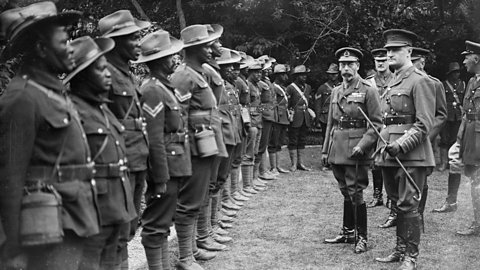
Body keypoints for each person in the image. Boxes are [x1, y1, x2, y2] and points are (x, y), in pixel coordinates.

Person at [0, 2, 100, 269]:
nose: (71, 47)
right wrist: (12, 248)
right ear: (42, 49)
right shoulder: (22, 97)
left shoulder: (52, 91)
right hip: (48, 226)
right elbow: (10, 178)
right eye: (65, 41)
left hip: (77, 216)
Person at [66, 36, 137, 270]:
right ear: (83, 75)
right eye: (99, 70)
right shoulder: (72, 112)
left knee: (113, 262)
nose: (108, 74)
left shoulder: (102, 109)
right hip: (92, 208)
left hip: (116, 203)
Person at [374, 29, 436, 270]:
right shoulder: (391, 80)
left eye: (395, 50)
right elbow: (386, 120)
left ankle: (411, 256)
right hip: (389, 154)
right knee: (396, 202)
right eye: (388, 50)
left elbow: (424, 124)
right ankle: (400, 249)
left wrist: (401, 145)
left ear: (409, 51)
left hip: (411, 155)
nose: (390, 54)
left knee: (409, 204)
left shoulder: (421, 81)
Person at [170, 24, 228, 270]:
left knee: (202, 196)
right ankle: (185, 258)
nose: (211, 49)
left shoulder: (199, 71)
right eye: (205, 45)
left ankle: (194, 247)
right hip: (195, 148)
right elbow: (177, 119)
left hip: (207, 144)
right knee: (189, 201)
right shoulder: (183, 75)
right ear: (192, 48)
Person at [133, 30, 191, 270]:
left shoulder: (164, 87)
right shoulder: (153, 90)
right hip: (165, 163)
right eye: (169, 56)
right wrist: (159, 176)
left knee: (164, 221)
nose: (174, 60)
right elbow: (154, 137)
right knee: (157, 223)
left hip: (175, 161)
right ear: (157, 61)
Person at [98, 10, 151, 269]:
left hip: (137, 157)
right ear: (116, 42)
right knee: (115, 231)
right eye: (133, 38)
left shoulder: (126, 73)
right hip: (119, 163)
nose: (139, 43)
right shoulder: (103, 73)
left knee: (129, 226)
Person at [322, 47, 382, 253]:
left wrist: (363, 145)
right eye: (342, 64)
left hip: (356, 149)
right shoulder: (337, 90)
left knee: (356, 192)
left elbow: (376, 124)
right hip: (337, 148)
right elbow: (330, 123)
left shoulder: (368, 90)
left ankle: (361, 237)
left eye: (350, 64)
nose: (345, 68)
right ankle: (347, 232)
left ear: (357, 66)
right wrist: (324, 150)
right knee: (345, 192)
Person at [410, 47, 447, 231]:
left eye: (414, 61)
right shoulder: (404, 82)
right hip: (405, 138)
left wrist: (427, 136)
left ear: (422, 63)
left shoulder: (434, 84)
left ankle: (419, 215)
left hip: (424, 138)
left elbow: (441, 115)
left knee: (422, 178)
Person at [433, 62, 466, 213]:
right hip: (446, 116)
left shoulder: (464, 84)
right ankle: (443, 163)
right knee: (444, 141)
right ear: (449, 74)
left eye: (458, 72)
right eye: (454, 72)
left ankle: (452, 164)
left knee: (454, 141)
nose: (456, 75)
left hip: (458, 116)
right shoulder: (443, 84)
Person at [455, 40, 480, 236]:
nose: (464, 61)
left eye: (466, 57)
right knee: (475, 180)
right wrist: (461, 135)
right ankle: (477, 222)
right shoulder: (472, 82)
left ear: (476, 58)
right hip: (471, 136)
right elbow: (466, 111)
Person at [366, 48, 394, 210]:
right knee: (375, 161)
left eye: (384, 61)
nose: (381, 64)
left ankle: (392, 196)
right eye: (378, 61)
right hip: (375, 125)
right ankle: (377, 195)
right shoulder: (369, 81)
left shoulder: (397, 78)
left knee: (390, 161)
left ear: (389, 61)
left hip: (391, 125)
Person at [287, 65, 314, 172]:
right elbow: (288, 103)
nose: (304, 77)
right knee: (293, 140)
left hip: (305, 115)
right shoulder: (291, 87)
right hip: (295, 115)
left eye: (305, 75)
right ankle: (293, 164)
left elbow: (309, 102)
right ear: (296, 76)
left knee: (302, 139)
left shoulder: (308, 87)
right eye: (301, 75)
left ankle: (300, 163)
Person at [268, 64, 290, 174]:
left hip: (284, 117)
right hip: (276, 118)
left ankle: (278, 165)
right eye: (283, 74)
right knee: (273, 142)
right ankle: (273, 167)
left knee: (280, 142)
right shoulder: (273, 88)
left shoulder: (284, 88)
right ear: (277, 76)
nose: (285, 76)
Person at [314, 63, 340, 145]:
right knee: (326, 139)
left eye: (335, 74)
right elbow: (318, 105)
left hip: (339, 117)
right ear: (328, 75)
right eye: (331, 74)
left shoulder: (342, 86)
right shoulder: (322, 88)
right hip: (325, 118)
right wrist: (317, 120)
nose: (333, 76)